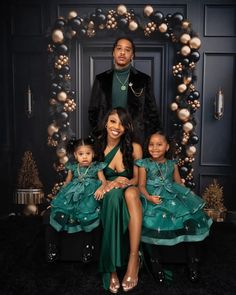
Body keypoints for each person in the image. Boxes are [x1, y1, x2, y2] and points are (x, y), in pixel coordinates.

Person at [135, 131, 213, 284]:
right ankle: (156, 264)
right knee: (152, 222)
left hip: (172, 195)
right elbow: (141, 185)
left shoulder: (172, 164)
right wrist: (149, 197)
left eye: (159, 144)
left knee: (188, 219)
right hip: (153, 198)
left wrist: (185, 196)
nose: (155, 148)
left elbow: (177, 183)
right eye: (151, 144)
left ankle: (192, 263)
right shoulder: (144, 164)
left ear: (167, 146)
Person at [94, 107, 143, 293]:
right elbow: (94, 173)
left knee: (129, 193)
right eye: (113, 121)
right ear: (106, 122)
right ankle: (112, 268)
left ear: (127, 127)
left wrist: (122, 184)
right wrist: (108, 183)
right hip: (107, 193)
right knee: (112, 196)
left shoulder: (135, 147)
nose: (117, 127)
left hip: (129, 190)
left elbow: (137, 180)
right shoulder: (97, 145)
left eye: (122, 123)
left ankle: (133, 259)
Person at [88, 36, 161, 145]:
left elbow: (152, 112)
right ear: (113, 52)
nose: (122, 53)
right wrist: (99, 133)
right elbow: (93, 111)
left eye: (127, 50)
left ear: (132, 56)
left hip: (135, 138)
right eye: (119, 49)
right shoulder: (101, 79)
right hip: (107, 138)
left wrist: (148, 139)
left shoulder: (143, 79)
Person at [46, 137, 107, 262]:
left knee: (88, 215)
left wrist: (101, 189)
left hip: (88, 195)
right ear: (75, 155)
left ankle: (88, 246)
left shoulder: (96, 167)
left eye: (88, 154)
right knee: (60, 212)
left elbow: (103, 182)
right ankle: (53, 246)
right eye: (81, 154)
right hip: (73, 194)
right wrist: (59, 196)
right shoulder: (73, 167)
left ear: (93, 154)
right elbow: (67, 183)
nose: (85, 157)